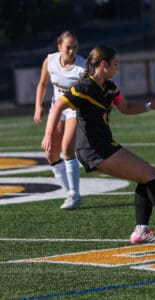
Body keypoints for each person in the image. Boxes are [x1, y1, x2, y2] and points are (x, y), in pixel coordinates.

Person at [41, 45, 155, 243]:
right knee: (150, 174)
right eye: (115, 64)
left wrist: (148, 106)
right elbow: (59, 105)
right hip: (94, 149)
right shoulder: (86, 87)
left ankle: (141, 231)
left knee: (145, 176)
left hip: (105, 145)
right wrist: (49, 135)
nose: (117, 68)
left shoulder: (110, 88)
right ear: (104, 64)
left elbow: (126, 108)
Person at [34, 30, 85, 209]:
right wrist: (38, 106)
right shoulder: (50, 61)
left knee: (66, 149)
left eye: (75, 47)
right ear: (60, 47)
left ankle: (74, 194)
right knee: (50, 153)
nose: (72, 52)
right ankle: (67, 192)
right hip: (58, 109)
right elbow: (42, 84)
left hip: (74, 110)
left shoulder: (82, 68)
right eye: (68, 48)